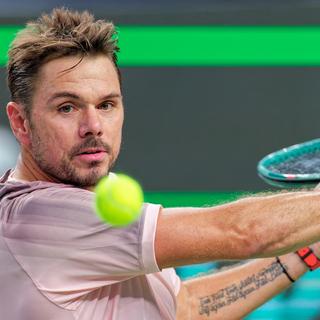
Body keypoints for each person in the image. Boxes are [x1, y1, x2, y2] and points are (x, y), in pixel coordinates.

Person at [1, 8, 320, 320]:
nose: (93, 125)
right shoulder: (35, 218)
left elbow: (187, 307)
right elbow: (242, 232)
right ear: (21, 122)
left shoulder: (87, 200)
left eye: (106, 104)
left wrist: (305, 252)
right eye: (67, 108)